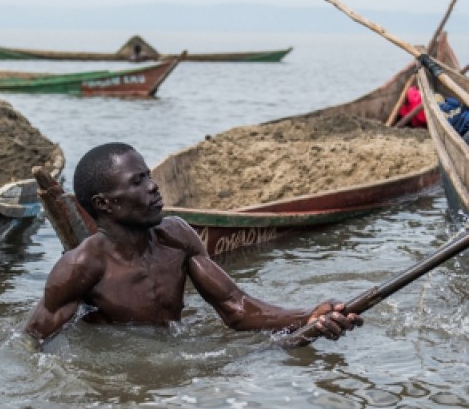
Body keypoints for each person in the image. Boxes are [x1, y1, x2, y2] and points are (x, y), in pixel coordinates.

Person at [25, 143, 362, 344]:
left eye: (150, 176)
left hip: (175, 346)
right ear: (104, 204)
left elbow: (237, 309)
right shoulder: (81, 267)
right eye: (138, 181)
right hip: (124, 364)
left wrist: (309, 315)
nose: (154, 187)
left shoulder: (177, 236)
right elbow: (31, 345)